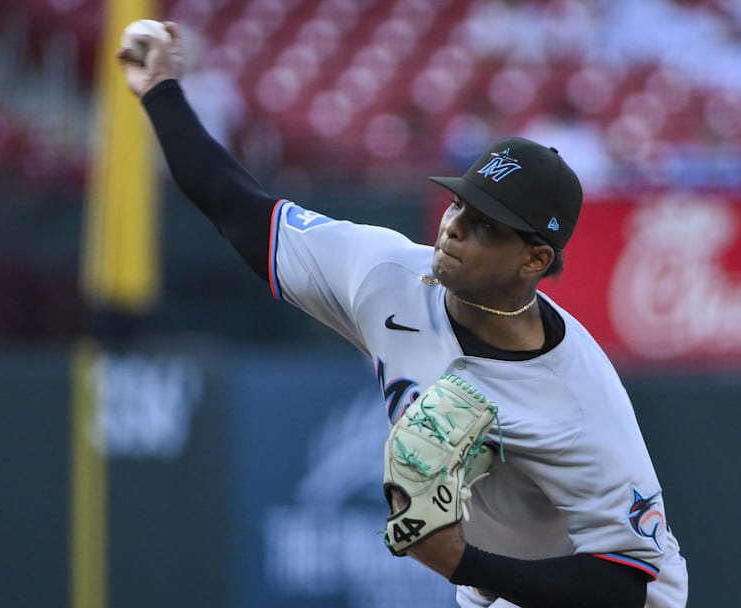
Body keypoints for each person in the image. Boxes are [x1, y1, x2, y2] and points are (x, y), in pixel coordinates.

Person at [118, 22, 688, 608]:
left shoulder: (580, 399)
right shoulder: (386, 275)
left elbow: (624, 583)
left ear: (534, 259)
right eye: (460, 202)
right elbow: (235, 207)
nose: (455, 225)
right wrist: (160, 90)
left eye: (486, 224)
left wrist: (464, 562)